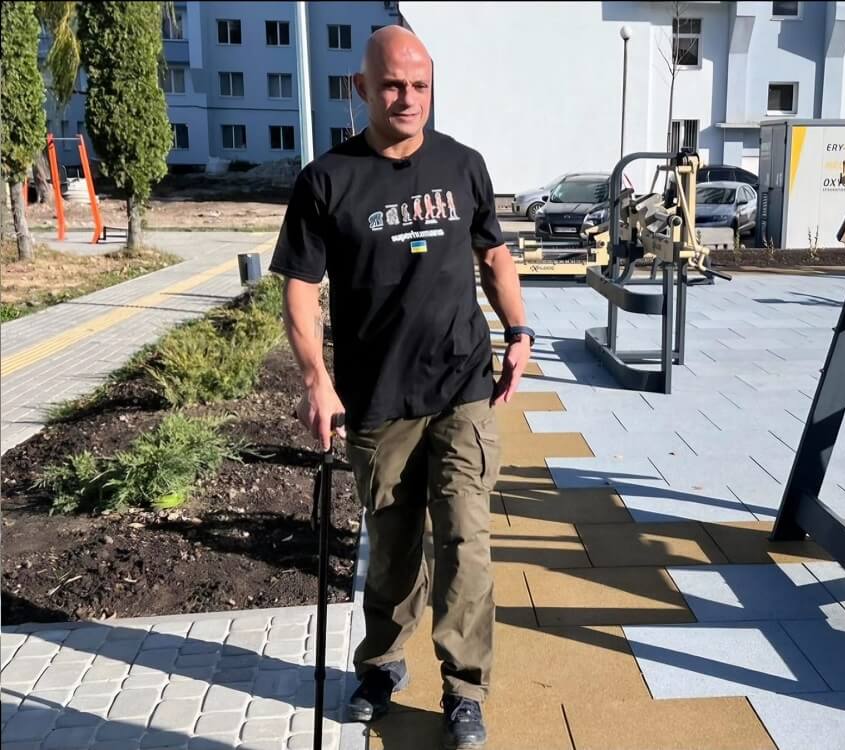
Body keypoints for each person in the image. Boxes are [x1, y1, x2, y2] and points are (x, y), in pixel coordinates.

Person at [270, 25, 532, 749]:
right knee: (391, 548)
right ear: (361, 88)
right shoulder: (327, 180)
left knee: (465, 541)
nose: (407, 98)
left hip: (461, 384)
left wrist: (517, 331)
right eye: (391, 85)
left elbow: (494, 255)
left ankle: (465, 687)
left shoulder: (463, 165)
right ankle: (382, 663)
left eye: (420, 85)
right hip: (378, 397)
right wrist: (317, 382)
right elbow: (300, 289)